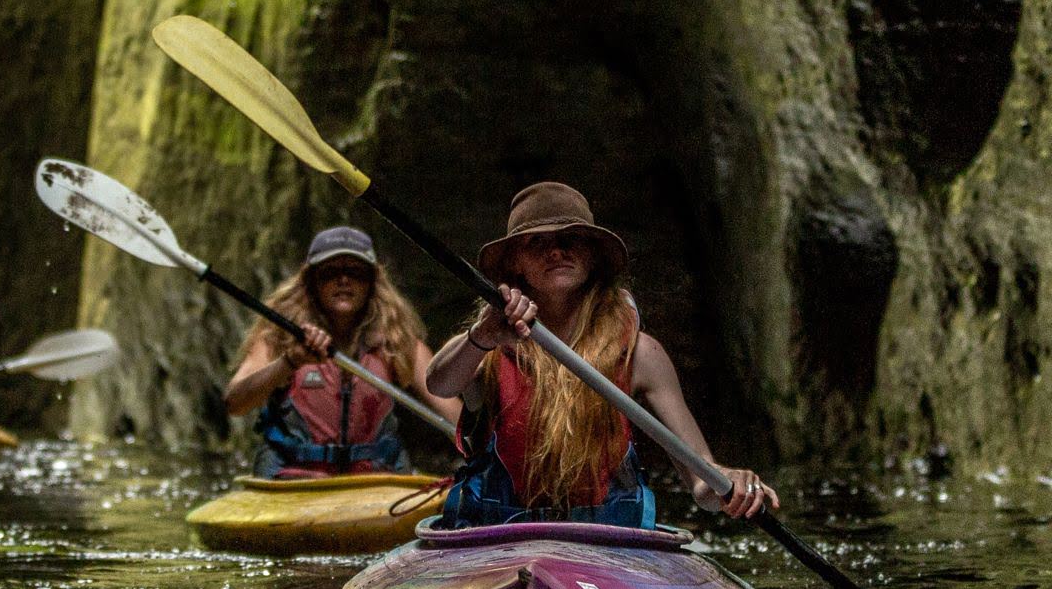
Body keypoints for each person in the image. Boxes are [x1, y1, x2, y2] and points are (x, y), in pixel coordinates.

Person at [423, 181, 780, 528]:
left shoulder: (641, 354)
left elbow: (702, 482)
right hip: (500, 536)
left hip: (603, 543)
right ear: (516, 262)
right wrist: (481, 336)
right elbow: (439, 383)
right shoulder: (485, 344)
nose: (557, 252)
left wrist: (729, 483)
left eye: (571, 240)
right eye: (537, 243)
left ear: (593, 257)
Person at [224, 227, 461, 478]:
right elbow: (235, 403)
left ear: (371, 283)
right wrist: (289, 362)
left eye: (355, 272)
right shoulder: (279, 336)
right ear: (312, 282)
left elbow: (456, 417)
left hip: (373, 480)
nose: (343, 280)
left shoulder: (397, 341)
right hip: (294, 478)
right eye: (330, 272)